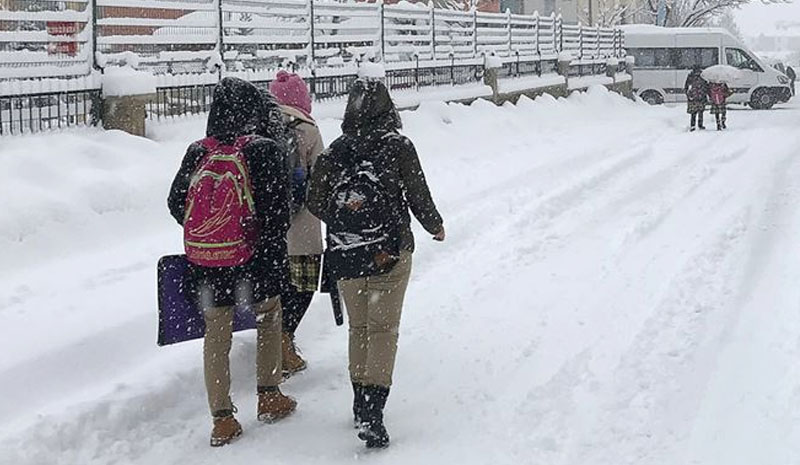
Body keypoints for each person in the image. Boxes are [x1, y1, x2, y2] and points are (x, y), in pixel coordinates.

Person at [308, 77, 445, 449]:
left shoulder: (335, 151)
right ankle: (373, 411)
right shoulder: (398, 146)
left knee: (360, 329)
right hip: (389, 251)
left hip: (346, 253)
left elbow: (314, 200)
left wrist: (343, 217)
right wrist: (435, 226)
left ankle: (358, 401)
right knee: (383, 331)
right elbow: (418, 193)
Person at [167, 77, 296, 447]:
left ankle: (222, 419)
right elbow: (277, 211)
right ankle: (269, 395)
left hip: (206, 262)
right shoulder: (263, 149)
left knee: (216, 334)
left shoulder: (197, 151)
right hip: (255, 260)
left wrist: (211, 229)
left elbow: (176, 203)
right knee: (269, 317)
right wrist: (255, 240)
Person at [269, 70, 326, 376]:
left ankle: (273, 343)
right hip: (302, 226)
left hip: (268, 227)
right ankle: (285, 341)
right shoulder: (308, 129)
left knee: (274, 288)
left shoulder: (259, 126)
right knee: (302, 286)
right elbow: (322, 177)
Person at [685, 66, 708, 131]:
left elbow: (686, 86)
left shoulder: (690, 76)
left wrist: (688, 95)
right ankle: (700, 125)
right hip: (701, 96)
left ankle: (692, 125)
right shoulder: (702, 76)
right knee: (701, 112)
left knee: (693, 113)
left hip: (693, 97)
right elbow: (706, 86)